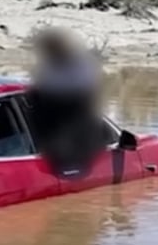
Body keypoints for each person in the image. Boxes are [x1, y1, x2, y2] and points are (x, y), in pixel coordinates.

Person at [26, 26, 103, 176]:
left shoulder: (82, 64)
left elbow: (83, 89)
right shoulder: (48, 66)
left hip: (70, 112)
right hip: (50, 116)